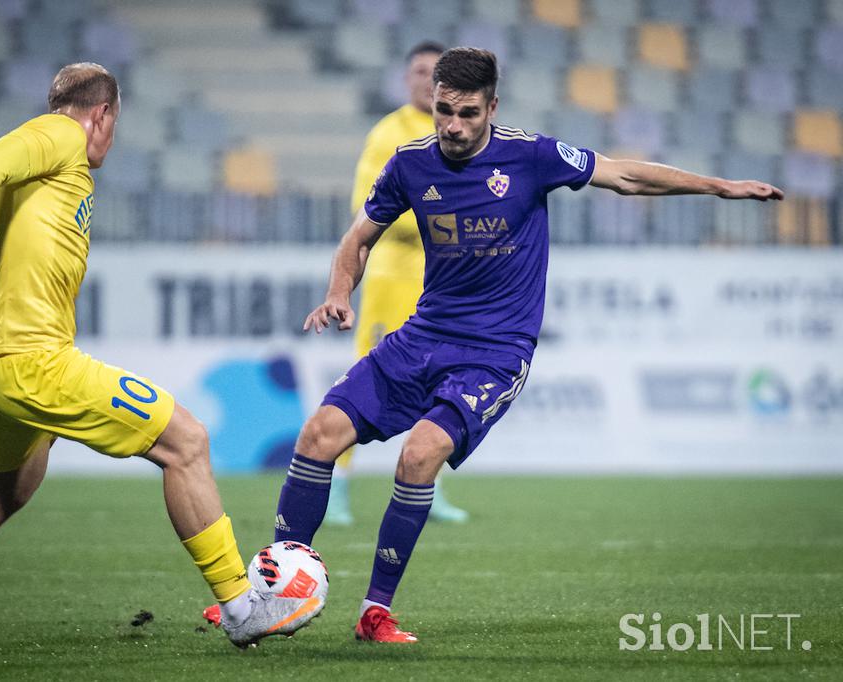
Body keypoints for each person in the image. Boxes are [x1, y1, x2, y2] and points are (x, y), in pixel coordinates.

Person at [274, 47, 783, 643]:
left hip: (494, 350)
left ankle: (375, 611)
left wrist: (719, 187)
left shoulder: (531, 154)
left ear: (493, 106)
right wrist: (339, 291)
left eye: (467, 113)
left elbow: (624, 175)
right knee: (317, 435)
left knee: (419, 455)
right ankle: (273, 588)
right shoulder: (410, 163)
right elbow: (359, 237)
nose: (453, 127)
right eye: (443, 112)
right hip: (423, 334)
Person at [0, 63, 322, 652]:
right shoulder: (61, 133)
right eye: (115, 122)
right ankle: (241, 606)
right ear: (102, 114)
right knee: (185, 442)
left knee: (8, 487)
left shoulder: (50, 169)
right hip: (31, 359)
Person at [326, 40, 469, 527]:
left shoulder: (457, 132)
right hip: (391, 270)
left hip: (440, 276)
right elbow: (367, 211)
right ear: (408, 79)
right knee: (367, 374)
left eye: (434, 74)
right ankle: (338, 488)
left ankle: (428, 488)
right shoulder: (388, 133)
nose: (424, 82)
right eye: (418, 72)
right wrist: (441, 217)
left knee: (443, 378)